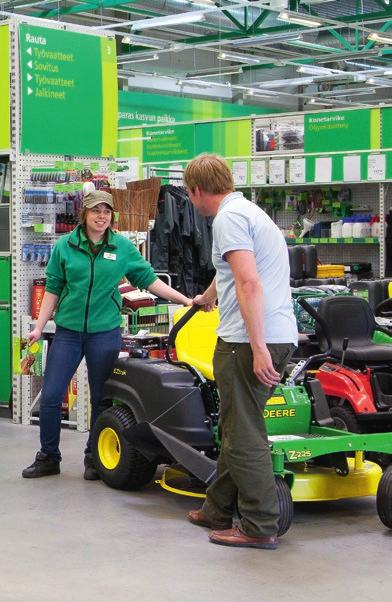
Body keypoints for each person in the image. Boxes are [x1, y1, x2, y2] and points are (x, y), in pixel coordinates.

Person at [22, 190, 192, 480]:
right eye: (95, 211)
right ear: (84, 214)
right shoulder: (65, 246)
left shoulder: (122, 248)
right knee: (51, 396)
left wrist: (187, 301)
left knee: (101, 398)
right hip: (68, 332)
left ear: (112, 216)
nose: (101, 216)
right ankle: (49, 456)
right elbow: (52, 288)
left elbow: (150, 281)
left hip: (104, 333)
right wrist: (39, 326)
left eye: (106, 211)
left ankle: (94, 457)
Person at [184, 154, 297, 550]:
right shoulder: (248, 211)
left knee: (244, 433)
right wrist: (209, 295)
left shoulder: (227, 219)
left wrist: (258, 348)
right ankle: (216, 508)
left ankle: (259, 524)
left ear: (197, 191)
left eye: (189, 193)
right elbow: (235, 270)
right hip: (276, 333)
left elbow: (249, 283)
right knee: (236, 427)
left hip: (247, 340)